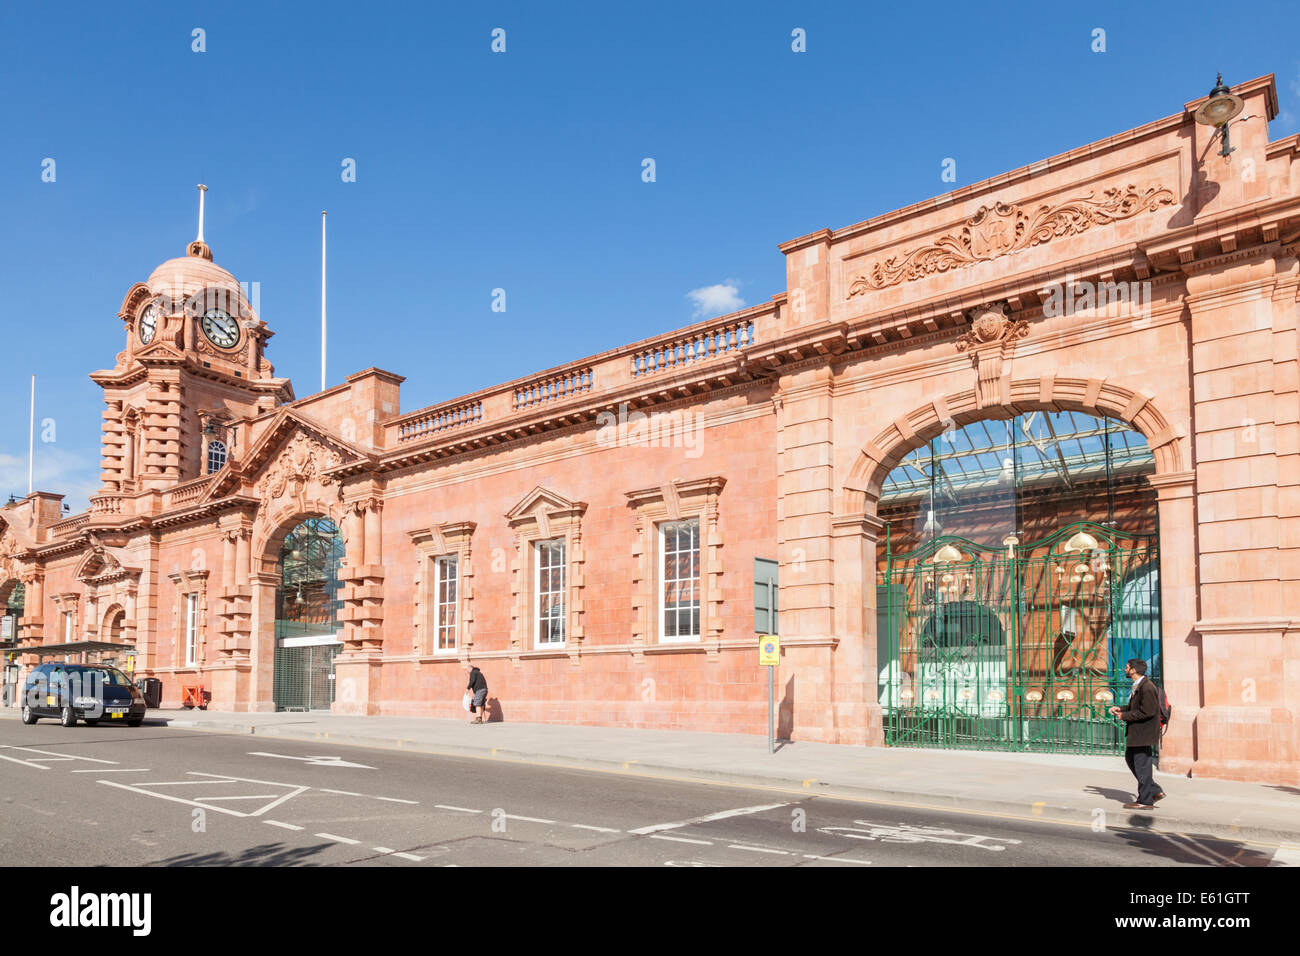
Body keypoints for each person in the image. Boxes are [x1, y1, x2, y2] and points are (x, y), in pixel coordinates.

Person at [1109, 658, 1165, 809]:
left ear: (1134, 670)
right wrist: (1121, 709)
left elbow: (1147, 711)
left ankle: (1145, 801)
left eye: (1127, 667)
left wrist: (1124, 716)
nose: (1125, 669)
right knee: (1132, 760)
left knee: (1141, 766)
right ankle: (1154, 791)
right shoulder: (1140, 685)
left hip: (1143, 734)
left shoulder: (1147, 687)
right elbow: (1136, 706)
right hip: (1138, 733)